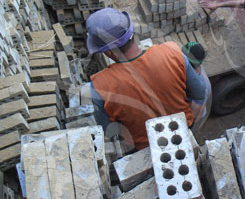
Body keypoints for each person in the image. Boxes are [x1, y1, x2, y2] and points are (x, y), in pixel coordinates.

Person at [86, 8, 206, 150]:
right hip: (182, 129)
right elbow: (199, 94)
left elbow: (109, 131)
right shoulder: (172, 52)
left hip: (146, 148)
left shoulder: (100, 87)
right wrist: (188, 125)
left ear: (108, 51)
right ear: (132, 33)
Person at [181, 42, 212, 132]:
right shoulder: (191, 72)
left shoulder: (202, 85)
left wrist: (187, 127)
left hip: (195, 114)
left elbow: (195, 114)